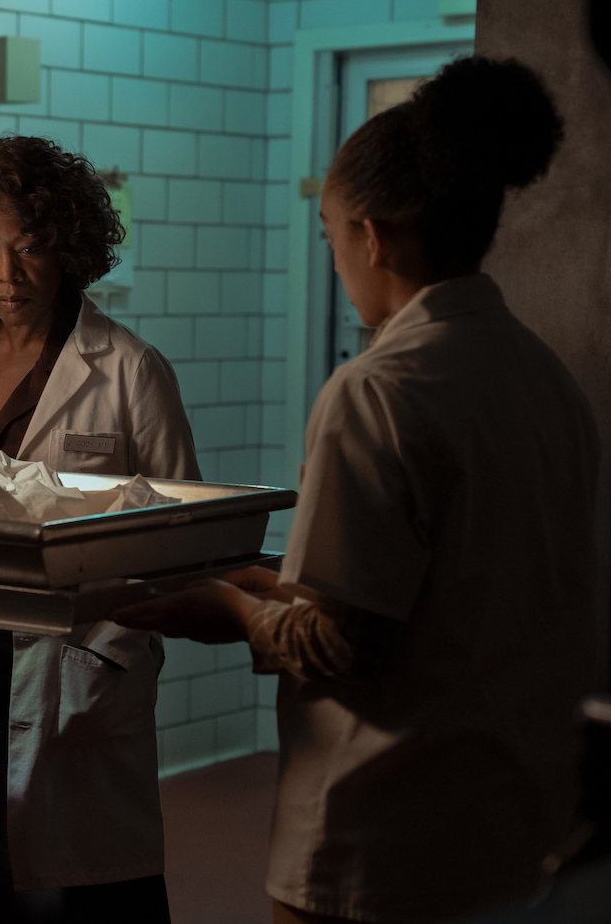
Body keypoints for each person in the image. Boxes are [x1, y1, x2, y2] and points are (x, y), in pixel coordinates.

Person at [114, 57, 600, 923]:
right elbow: (447, 594)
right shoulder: (544, 378)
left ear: (372, 236)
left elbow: (341, 645)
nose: (336, 257)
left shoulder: (376, 390)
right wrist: (269, 586)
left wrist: (224, 609)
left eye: (331, 235)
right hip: (515, 821)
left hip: (381, 833)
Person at [0, 135, 199, 923]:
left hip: (75, 680)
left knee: (78, 895)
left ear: (65, 242)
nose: (6, 277)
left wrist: (114, 655)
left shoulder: (130, 370)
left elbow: (182, 544)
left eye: (27, 249)